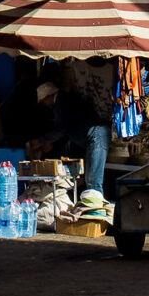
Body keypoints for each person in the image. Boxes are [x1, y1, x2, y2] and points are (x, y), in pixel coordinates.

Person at [54, 53, 118, 201]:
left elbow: (61, 128)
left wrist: (43, 141)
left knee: (94, 184)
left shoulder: (62, 103)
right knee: (92, 181)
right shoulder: (69, 101)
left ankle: (94, 209)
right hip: (95, 134)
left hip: (98, 134)